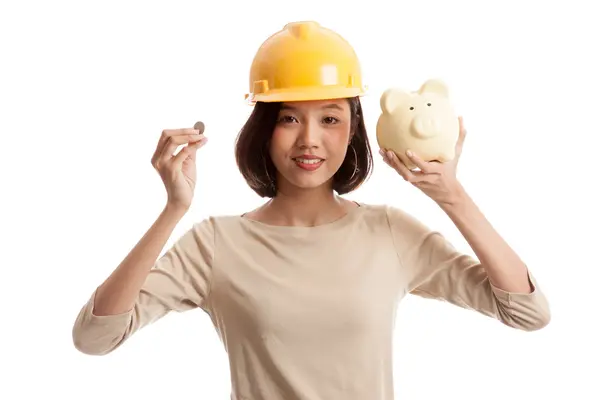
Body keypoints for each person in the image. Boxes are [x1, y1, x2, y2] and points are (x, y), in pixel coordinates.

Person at [72, 21, 550, 399]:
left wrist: (453, 197)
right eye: (289, 118)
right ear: (264, 127)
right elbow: (95, 338)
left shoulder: (389, 233)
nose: (309, 140)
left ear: (353, 129)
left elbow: (527, 311)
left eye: (329, 118)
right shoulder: (215, 244)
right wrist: (173, 209)